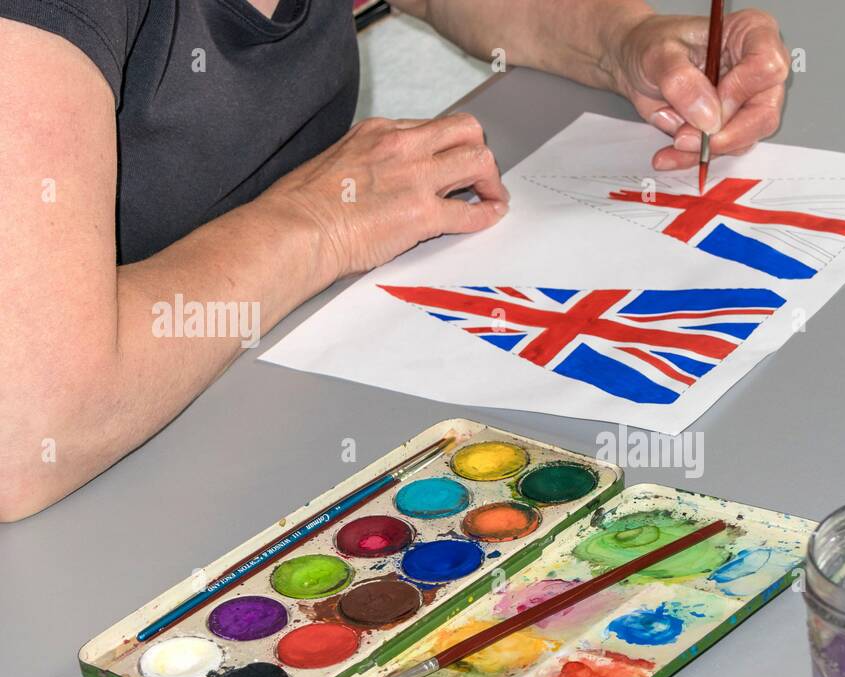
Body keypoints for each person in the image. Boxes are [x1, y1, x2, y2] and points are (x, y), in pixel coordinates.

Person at [0, 1, 790, 521]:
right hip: (92, 512)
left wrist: (624, 41)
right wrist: (313, 224)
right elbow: (32, 428)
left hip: (256, 400)